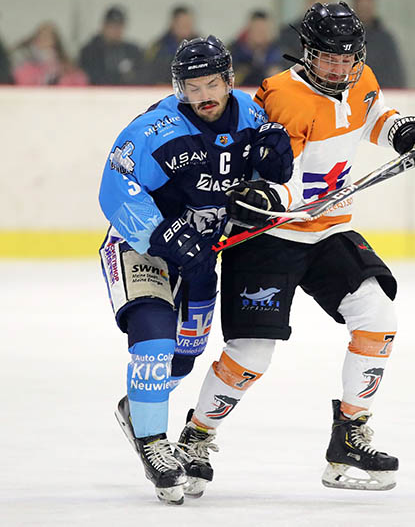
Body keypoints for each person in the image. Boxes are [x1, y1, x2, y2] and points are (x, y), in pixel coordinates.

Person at [175, 1, 415, 495]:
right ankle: (195, 437)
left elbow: (375, 116)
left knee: (379, 319)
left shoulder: (361, 78)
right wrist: (270, 199)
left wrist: (405, 129)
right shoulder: (283, 95)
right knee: (251, 356)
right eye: (328, 58)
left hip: (327, 230)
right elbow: (275, 174)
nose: (340, 68)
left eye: (348, 58)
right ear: (307, 53)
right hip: (269, 237)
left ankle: (349, 437)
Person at [98, 35, 293, 504]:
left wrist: (265, 192)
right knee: (155, 340)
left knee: (183, 358)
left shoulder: (251, 115)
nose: (203, 96)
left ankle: (136, 408)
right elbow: (114, 186)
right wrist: (161, 234)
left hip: (203, 255)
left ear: (229, 80)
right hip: (140, 246)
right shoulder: (155, 128)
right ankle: (153, 444)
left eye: (211, 84)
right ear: (178, 88)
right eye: (191, 87)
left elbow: (268, 179)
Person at [79, 6, 144, 86]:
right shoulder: (89, 52)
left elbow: (142, 77)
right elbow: (92, 78)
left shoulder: (133, 51)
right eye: (112, 26)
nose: (115, 30)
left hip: (127, 95)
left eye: (119, 26)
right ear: (103, 26)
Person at [352, 0, 405, 88]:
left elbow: (395, 75)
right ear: (355, 6)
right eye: (361, 6)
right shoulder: (344, 37)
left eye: (367, 6)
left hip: (380, 93)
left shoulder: (385, 40)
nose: (364, 10)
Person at [12, 21, 88, 86]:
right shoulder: (23, 59)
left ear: (55, 42)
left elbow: (80, 80)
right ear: (35, 40)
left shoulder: (64, 62)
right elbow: (21, 81)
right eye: (42, 37)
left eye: (49, 37)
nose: (45, 41)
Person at [144, 5, 198, 84]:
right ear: (173, 23)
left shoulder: (200, 45)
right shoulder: (159, 47)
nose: (186, 27)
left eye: (188, 24)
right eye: (182, 24)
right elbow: (148, 72)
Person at [229, 10, 283, 87]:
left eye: (263, 31)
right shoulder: (234, 52)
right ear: (248, 30)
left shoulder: (277, 52)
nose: (260, 35)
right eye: (256, 30)